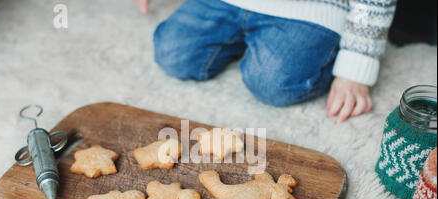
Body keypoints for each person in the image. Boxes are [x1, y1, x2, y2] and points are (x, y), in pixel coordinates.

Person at [135, 0, 396, 123]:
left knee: (273, 83)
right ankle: (248, 39)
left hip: (313, 9)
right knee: (173, 54)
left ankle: (326, 53)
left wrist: (356, 67)